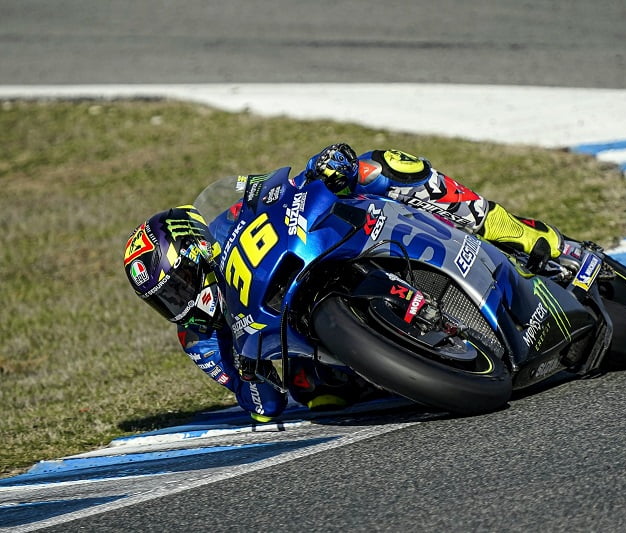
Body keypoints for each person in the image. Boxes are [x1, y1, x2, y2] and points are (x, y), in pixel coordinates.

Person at [123, 143, 573, 423]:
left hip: (321, 256)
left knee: (380, 166)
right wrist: (246, 371)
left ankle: (508, 227)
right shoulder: (196, 336)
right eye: (165, 301)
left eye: (178, 286)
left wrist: (324, 169)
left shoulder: (232, 220)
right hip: (331, 357)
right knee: (317, 395)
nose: (180, 304)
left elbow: (282, 191)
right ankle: (406, 357)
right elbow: (264, 407)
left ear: (199, 252)